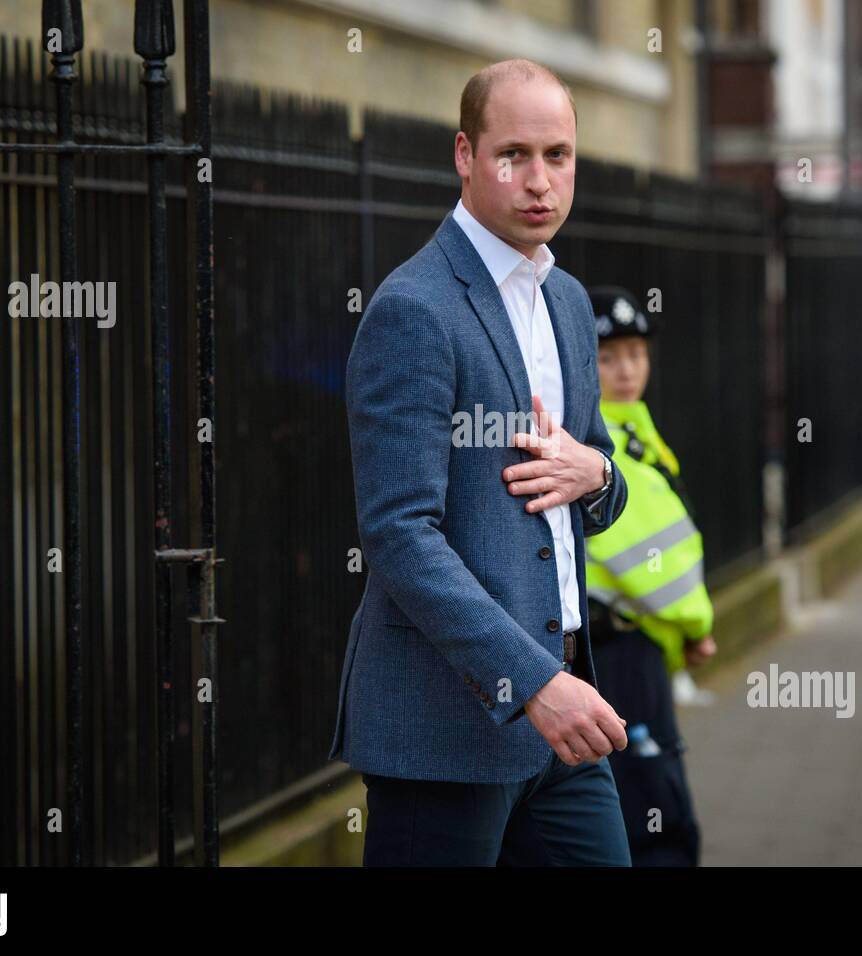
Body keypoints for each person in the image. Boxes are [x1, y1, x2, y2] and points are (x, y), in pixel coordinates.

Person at [328, 58, 635, 866]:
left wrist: (597, 476)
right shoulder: (413, 310)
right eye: (515, 155)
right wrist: (533, 684)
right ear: (466, 156)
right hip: (446, 734)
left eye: (558, 156)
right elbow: (400, 535)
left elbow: (596, 465)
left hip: (564, 721)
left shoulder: (566, 299)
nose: (540, 180)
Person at [583, 286, 717, 866]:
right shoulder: (602, 439)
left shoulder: (635, 426)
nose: (626, 370)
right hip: (621, 650)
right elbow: (650, 561)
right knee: (654, 818)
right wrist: (697, 626)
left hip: (634, 647)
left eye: (636, 353)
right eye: (607, 357)